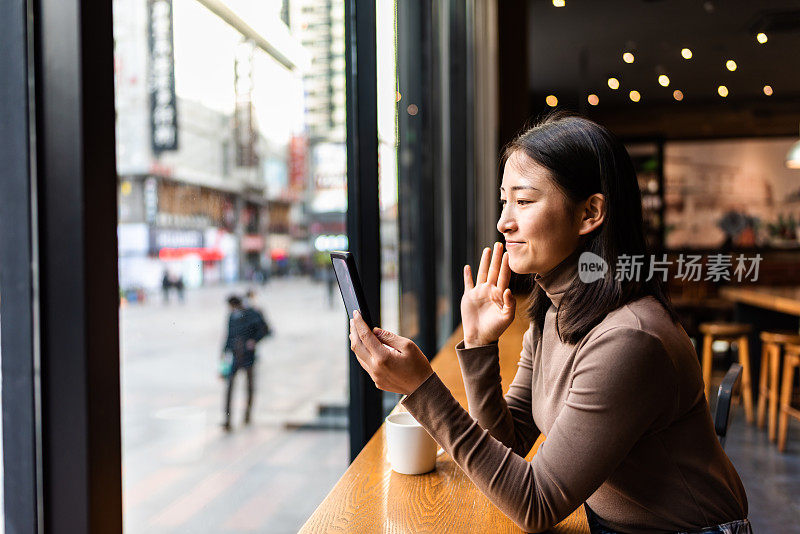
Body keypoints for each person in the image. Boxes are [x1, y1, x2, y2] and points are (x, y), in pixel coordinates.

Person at [348, 112, 750, 533]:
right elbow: (510, 443)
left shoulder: (629, 338)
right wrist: (480, 344)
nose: (504, 222)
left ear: (590, 213)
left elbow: (535, 504)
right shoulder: (556, 308)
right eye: (504, 201)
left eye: (523, 201)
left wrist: (421, 388)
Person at [221, 294, 269, 431]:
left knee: (249, 387)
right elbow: (228, 335)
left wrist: (254, 341)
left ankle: (247, 415)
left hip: (248, 356)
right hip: (234, 356)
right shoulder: (231, 316)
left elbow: (265, 330)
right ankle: (227, 419)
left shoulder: (253, 313)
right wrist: (223, 353)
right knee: (230, 387)